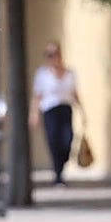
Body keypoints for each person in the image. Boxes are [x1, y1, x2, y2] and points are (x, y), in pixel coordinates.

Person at [29, 41, 84, 187]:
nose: (52, 58)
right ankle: (58, 176)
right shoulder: (42, 74)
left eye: (54, 54)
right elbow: (37, 96)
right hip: (49, 110)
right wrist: (33, 114)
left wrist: (82, 111)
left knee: (67, 140)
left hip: (65, 109)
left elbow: (74, 93)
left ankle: (62, 165)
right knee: (53, 142)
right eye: (49, 55)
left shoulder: (69, 73)